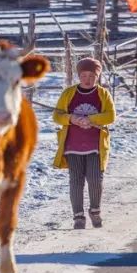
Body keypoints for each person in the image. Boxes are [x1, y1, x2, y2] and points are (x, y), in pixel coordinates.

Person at [52, 57, 115, 229]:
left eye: (91, 76)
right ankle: (78, 216)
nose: (87, 79)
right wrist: (72, 118)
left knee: (95, 180)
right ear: (79, 76)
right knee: (76, 181)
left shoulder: (103, 94)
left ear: (97, 76)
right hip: (73, 146)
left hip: (95, 146)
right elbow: (57, 115)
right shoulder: (69, 93)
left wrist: (90, 119)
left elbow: (110, 115)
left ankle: (95, 211)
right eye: (84, 75)